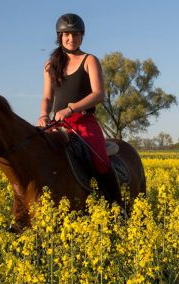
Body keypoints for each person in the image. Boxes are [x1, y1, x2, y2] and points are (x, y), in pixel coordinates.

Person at [38, 12, 123, 209]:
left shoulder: (89, 60)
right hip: (57, 124)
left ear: (81, 37)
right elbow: (47, 98)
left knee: (101, 162)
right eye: (67, 34)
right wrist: (43, 114)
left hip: (84, 122)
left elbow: (98, 94)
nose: (71, 39)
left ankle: (116, 207)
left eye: (76, 34)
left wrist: (71, 108)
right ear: (59, 36)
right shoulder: (50, 65)